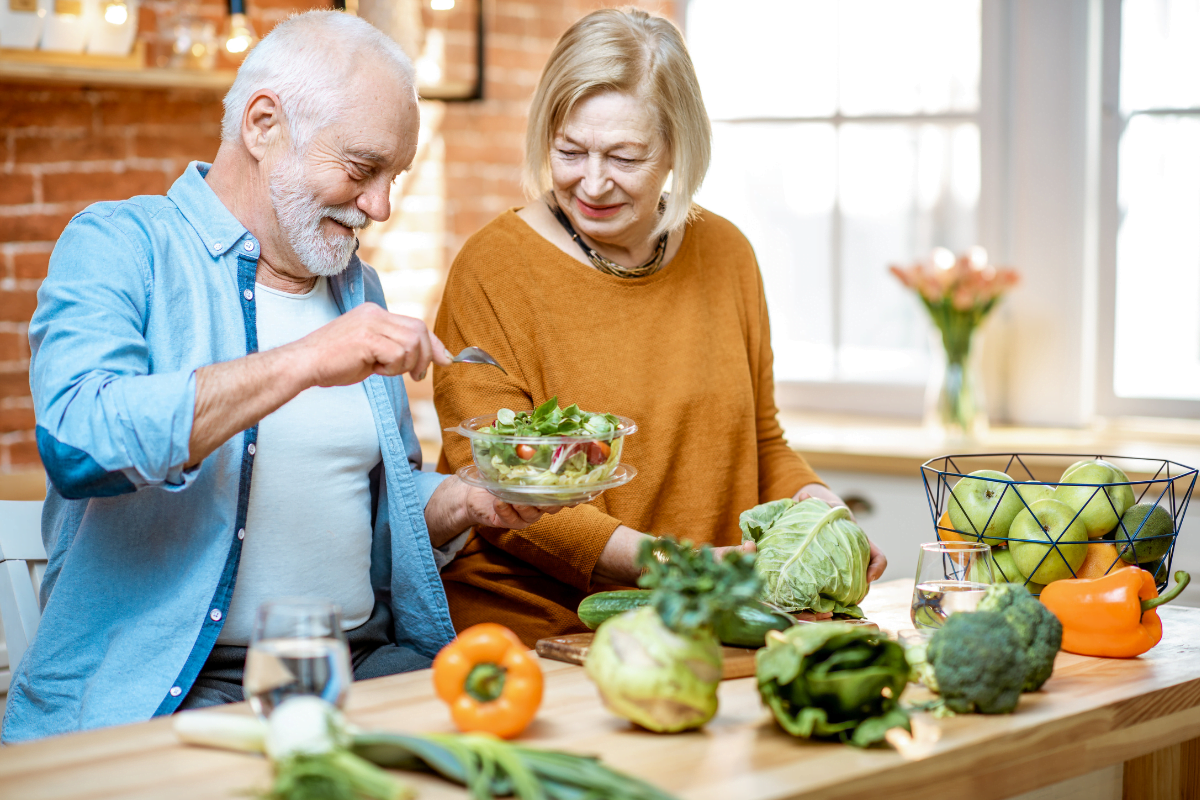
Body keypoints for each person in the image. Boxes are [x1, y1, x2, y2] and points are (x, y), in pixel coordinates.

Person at [2, 11, 550, 744]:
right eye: (361, 169)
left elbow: (355, 513)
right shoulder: (121, 245)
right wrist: (304, 362)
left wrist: (464, 501)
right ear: (263, 124)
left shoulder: (359, 290)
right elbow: (79, 443)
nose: (380, 206)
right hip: (182, 690)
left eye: (394, 178)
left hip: (368, 667)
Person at [432, 8, 887, 646]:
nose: (591, 182)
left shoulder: (727, 253)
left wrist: (822, 513)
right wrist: (681, 566)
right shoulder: (492, 270)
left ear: (677, 147)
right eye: (569, 151)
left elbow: (761, 440)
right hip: (544, 632)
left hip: (706, 620)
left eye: (625, 156)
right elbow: (497, 490)